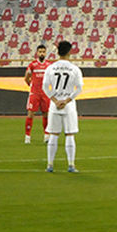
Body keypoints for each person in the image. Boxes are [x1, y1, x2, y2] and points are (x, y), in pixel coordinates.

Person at [43, 40, 84, 173]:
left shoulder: (51, 67)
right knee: (70, 134)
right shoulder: (74, 68)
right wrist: (66, 101)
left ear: (57, 52)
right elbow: (79, 88)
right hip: (69, 106)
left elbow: (45, 86)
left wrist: (55, 100)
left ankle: (50, 165)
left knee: (53, 134)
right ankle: (71, 165)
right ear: (69, 52)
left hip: (54, 107)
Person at [23, 44, 52, 144]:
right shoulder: (33, 65)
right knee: (31, 114)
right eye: (40, 52)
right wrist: (30, 85)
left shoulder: (49, 65)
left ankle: (46, 135)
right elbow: (27, 77)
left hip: (45, 93)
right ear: (37, 53)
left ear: (46, 52)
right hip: (35, 93)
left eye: (43, 51)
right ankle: (27, 136)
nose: (42, 53)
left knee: (46, 114)